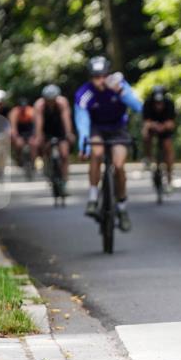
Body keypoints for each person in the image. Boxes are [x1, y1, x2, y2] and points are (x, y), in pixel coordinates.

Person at [74, 56, 143, 232]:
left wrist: (120, 92)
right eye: (96, 77)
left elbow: (138, 107)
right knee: (96, 154)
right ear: (91, 78)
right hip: (96, 129)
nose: (101, 80)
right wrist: (84, 146)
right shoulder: (84, 93)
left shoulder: (120, 85)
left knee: (119, 166)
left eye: (104, 76)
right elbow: (82, 122)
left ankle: (122, 208)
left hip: (118, 128)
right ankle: (93, 197)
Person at [33, 84, 75, 186]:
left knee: (64, 154)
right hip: (46, 128)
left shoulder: (62, 103)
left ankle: (65, 179)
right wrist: (38, 136)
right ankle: (48, 168)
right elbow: (39, 122)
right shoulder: (39, 105)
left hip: (60, 128)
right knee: (44, 148)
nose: (50, 102)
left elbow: (66, 119)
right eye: (48, 100)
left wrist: (69, 133)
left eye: (52, 99)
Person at [141, 85, 177, 193]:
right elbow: (146, 123)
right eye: (156, 103)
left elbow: (171, 123)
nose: (158, 105)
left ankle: (169, 179)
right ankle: (148, 157)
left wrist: (163, 126)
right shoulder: (148, 103)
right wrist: (153, 126)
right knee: (146, 135)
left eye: (160, 103)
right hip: (152, 127)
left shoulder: (169, 103)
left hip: (165, 128)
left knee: (168, 147)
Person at [8, 97, 36, 167]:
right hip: (19, 130)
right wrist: (16, 138)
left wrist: (33, 136)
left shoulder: (31, 111)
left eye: (24, 107)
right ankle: (18, 159)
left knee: (33, 144)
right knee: (18, 144)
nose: (23, 109)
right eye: (21, 107)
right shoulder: (14, 112)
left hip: (29, 130)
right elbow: (13, 128)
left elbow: (35, 126)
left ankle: (33, 162)